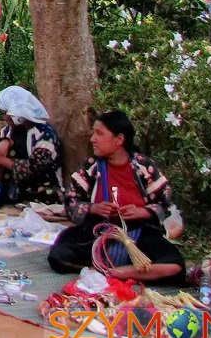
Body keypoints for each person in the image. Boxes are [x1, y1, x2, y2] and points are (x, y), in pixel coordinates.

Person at [48, 110, 186, 283]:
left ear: (119, 139)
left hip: (139, 235)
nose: (93, 139)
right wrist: (93, 208)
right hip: (98, 233)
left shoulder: (143, 167)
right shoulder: (92, 167)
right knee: (59, 255)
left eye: (99, 133)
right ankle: (124, 270)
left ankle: (114, 271)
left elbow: (163, 203)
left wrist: (142, 212)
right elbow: (71, 201)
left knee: (175, 266)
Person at [0, 85, 63, 205]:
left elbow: (34, 168)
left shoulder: (45, 134)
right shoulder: (7, 131)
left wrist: (1, 160)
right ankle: (0, 194)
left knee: (47, 195)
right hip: (18, 186)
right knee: (2, 146)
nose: (3, 117)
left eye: (5, 113)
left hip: (43, 185)